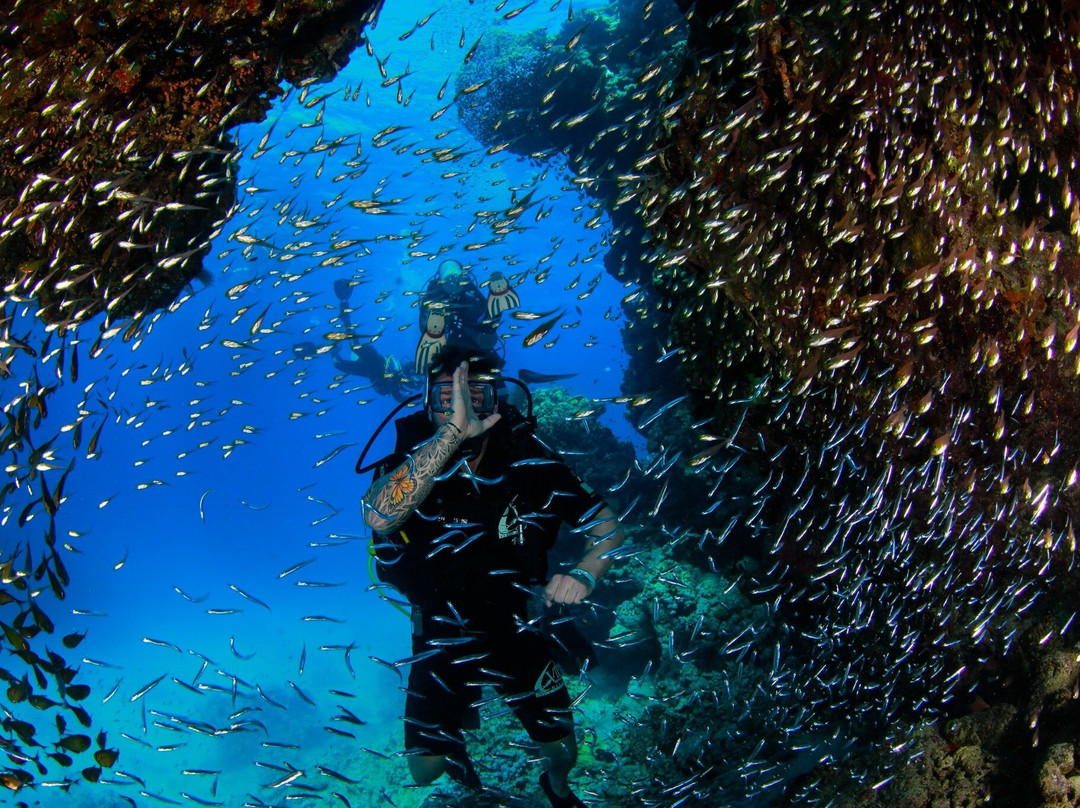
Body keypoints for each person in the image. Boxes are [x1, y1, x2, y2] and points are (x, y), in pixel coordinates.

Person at [362, 343, 625, 808]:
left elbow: (606, 525)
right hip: (440, 629)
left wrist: (585, 573)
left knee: (563, 748)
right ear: (425, 397)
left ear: (499, 398)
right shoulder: (410, 457)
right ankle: (455, 735)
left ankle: (557, 788)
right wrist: (450, 438)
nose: (461, 405)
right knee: (424, 772)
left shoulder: (530, 457)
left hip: (515, 624)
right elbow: (380, 517)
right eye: (447, 394)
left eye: (476, 393)